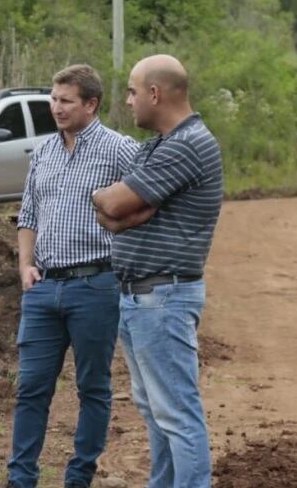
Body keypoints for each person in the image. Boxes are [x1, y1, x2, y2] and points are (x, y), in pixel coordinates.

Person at [92, 54, 223, 488]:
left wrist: (119, 205)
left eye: (132, 91)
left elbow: (111, 205)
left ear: (155, 93)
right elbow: (113, 210)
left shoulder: (189, 144)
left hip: (162, 298)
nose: (127, 101)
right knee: (156, 410)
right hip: (141, 297)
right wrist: (128, 208)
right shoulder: (160, 145)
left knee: (176, 413)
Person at [6, 64, 139, 488]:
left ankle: (79, 476)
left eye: (65, 101)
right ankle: (21, 477)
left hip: (96, 285)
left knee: (93, 387)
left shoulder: (120, 150)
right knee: (31, 388)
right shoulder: (44, 151)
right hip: (43, 288)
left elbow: (146, 204)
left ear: (91, 104)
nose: (56, 107)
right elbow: (27, 215)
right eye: (53, 98)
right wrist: (25, 265)